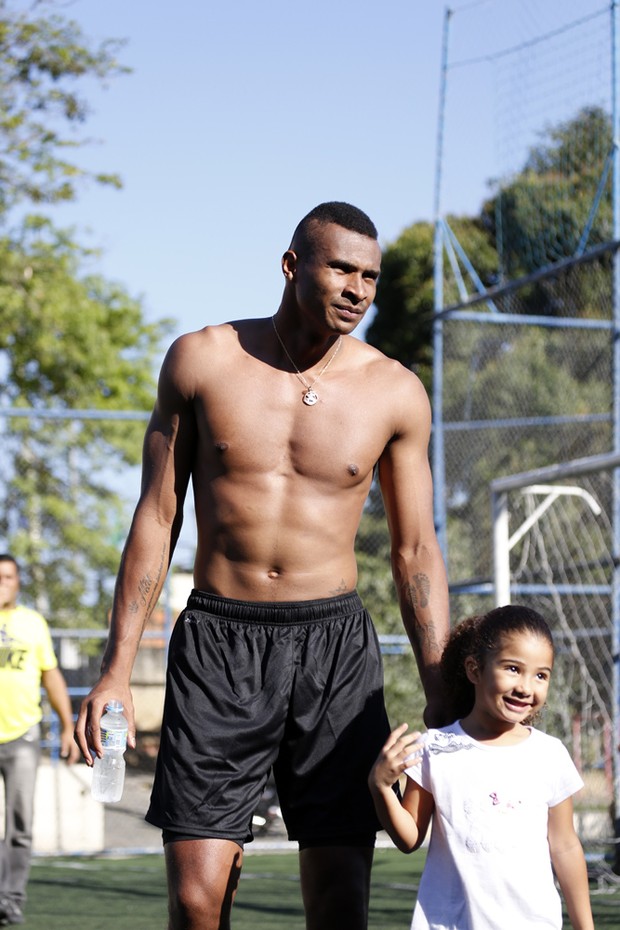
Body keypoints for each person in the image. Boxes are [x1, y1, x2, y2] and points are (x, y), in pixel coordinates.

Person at [74, 201, 450, 930]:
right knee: (197, 899)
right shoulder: (203, 359)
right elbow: (156, 516)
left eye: (370, 275)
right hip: (220, 641)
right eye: (341, 267)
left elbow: (416, 550)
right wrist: (115, 667)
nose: (359, 289)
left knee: (340, 901)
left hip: (334, 649)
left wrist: (438, 686)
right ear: (291, 266)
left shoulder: (395, 391)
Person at [369, 604, 595, 930]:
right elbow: (409, 838)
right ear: (475, 670)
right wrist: (380, 788)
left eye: (541, 675)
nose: (526, 686)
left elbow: (565, 845)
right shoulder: (434, 749)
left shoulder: (550, 754)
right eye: (513, 669)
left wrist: (584, 926)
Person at [0, 554, 80, 926]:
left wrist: (67, 727)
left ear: (18, 582)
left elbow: (52, 677)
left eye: (8, 577)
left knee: (20, 824)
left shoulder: (32, 624)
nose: (2, 582)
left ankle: (10, 899)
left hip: (22, 737)